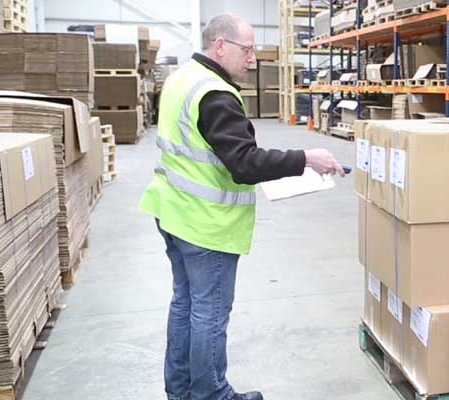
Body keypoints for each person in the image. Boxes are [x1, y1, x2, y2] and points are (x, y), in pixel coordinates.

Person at [139, 13, 344, 400]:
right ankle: (211, 394)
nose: (253, 58)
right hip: (205, 224)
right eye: (246, 50)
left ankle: (180, 391)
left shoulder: (183, 78)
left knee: (186, 303)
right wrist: (305, 158)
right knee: (209, 313)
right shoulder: (215, 94)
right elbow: (245, 163)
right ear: (220, 46)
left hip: (172, 210)